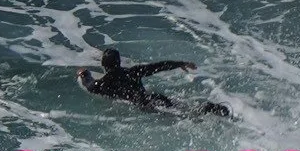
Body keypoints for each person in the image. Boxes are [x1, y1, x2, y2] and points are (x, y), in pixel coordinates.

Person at [78, 47, 230, 118]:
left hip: (146, 105)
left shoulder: (103, 84)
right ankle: (209, 108)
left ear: (104, 65)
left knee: (186, 115)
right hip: (154, 97)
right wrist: (181, 63)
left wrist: (83, 73)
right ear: (119, 62)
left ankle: (205, 110)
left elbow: (88, 84)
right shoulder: (132, 72)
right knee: (183, 108)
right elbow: (158, 66)